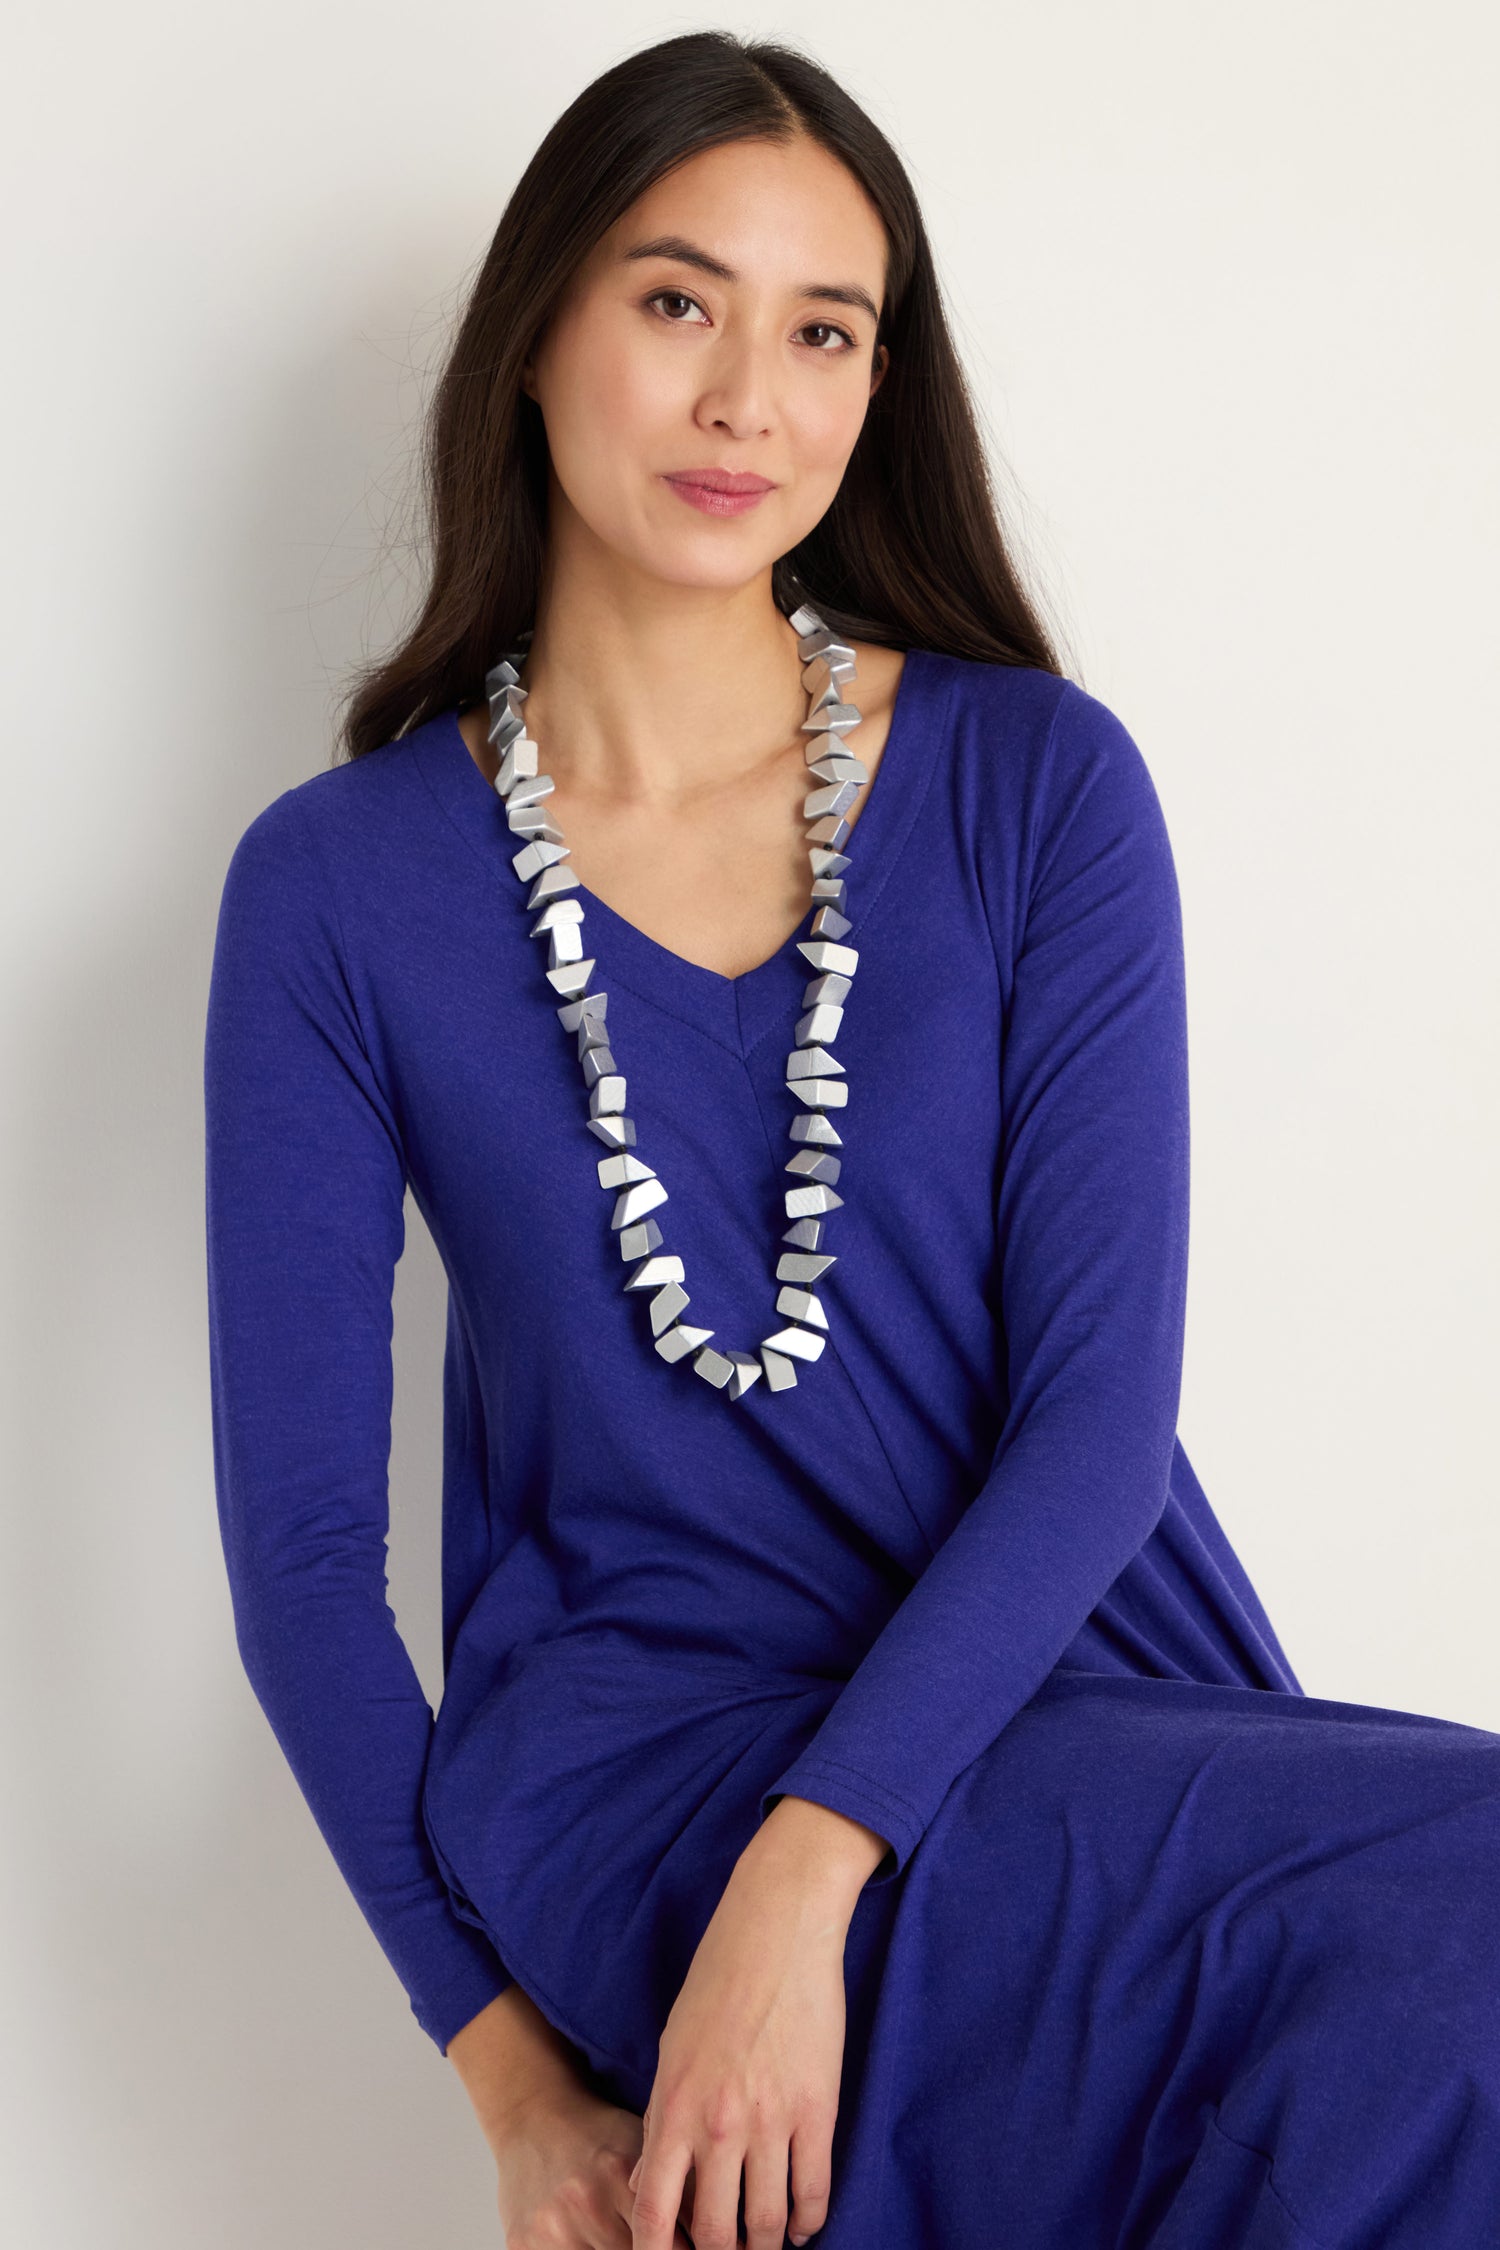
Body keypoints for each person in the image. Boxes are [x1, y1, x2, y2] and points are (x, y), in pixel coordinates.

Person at [202, 28, 1500, 2250]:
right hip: (638, 1764)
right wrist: (515, 2088)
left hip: (1050, 1699)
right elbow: (308, 1572)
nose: (749, 401)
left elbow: (1098, 1418)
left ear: (881, 388)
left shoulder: (1036, 783)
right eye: (677, 301)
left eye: (825, 333)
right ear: (536, 330)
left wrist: (809, 1875)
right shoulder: (339, 888)